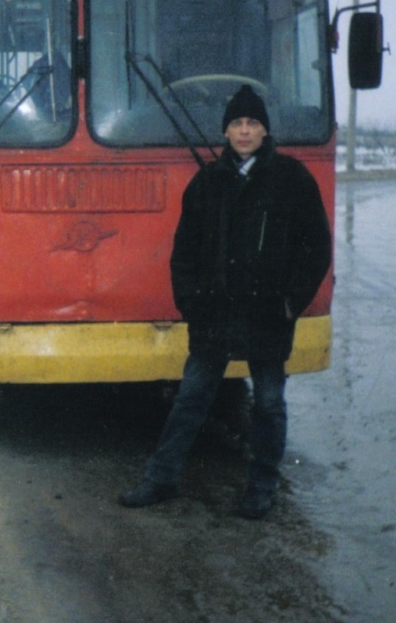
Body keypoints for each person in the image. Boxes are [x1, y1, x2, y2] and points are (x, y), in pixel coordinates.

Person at [118, 84, 332, 519]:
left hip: (269, 314)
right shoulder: (207, 184)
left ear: (265, 132)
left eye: (253, 123)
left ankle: (261, 487)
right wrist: (192, 305)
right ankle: (160, 479)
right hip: (214, 315)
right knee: (191, 399)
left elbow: (316, 248)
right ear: (226, 131)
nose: (245, 131)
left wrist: (292, 302)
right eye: (237, 123)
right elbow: (184, 253)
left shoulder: (293, 180)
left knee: (269, 404)